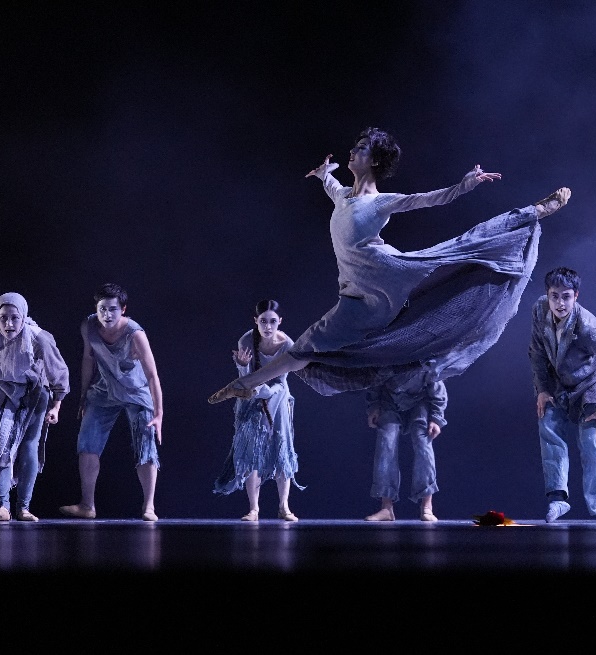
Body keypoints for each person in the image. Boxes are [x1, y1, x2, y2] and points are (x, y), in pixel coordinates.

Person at [208, 126, 571, 404]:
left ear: (375, 161)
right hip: (353, 294)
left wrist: (465, 185)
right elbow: (332, 187)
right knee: (305, 347)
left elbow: (428, 199)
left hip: (386, 278)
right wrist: (324, 173)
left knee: (463, 247)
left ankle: (534, 212)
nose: (353, 150)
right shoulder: (343, 196)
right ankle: (243, 385)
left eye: (361, 148)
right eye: (355, 146)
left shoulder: (382, 203)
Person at [529, 267, 596, 524]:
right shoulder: (540, 310)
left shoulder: (588, 327)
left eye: (566, 296)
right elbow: (537, 352)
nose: (560, 303)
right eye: (554, 296)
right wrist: (542, 389)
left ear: (576, 296)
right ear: (547, 294)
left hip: (590, 384)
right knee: (548, 426)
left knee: (589, 442)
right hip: (559, 383)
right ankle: (557, 499)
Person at [0, 292, 70, 521]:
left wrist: (56, 406)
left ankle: (24, 507)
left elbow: (58, 371)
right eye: (3, 318)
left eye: (14, 318)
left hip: (33, 389)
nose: (9, 324)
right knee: (2, 443)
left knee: (29, 446)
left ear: (23, 317)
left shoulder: (38, 337)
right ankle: (4, 506)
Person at [60, 283, 164, 522]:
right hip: (104, 390)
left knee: (146, 445)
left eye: (113, 309)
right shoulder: (89, 326)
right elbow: (88, 358)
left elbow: (152, 375)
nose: (107, 315)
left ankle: (149, 506)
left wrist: (158, 413)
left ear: (123, 309)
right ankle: (87, 505)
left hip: (136, 391)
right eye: (102, 309)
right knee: (87, 442)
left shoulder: (135, 334)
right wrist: (84, 395)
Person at [213, 300, 304, 521]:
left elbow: (281, 378)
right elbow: (245, 380)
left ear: (280, 321)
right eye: (263, 321)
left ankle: (284, 506)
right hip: (252, 396)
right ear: (256, 321)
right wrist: (242, 364)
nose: (268, 326)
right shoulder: (247, 340)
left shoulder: (287, 344)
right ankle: (254, 508)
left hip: (278, 395)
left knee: (282, 448)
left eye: (272, 321)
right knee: (252, 449)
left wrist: (269, 392)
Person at [363, 366, 447, 522]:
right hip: (389, 401)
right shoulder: (386, 359)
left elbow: (437, 385)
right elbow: (375, 381)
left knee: (423, 445)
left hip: (420, 401)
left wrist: (436, 417)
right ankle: (386, 507)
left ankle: (427, 506)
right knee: (385, 445)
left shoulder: (425, 360)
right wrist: (374, 406)